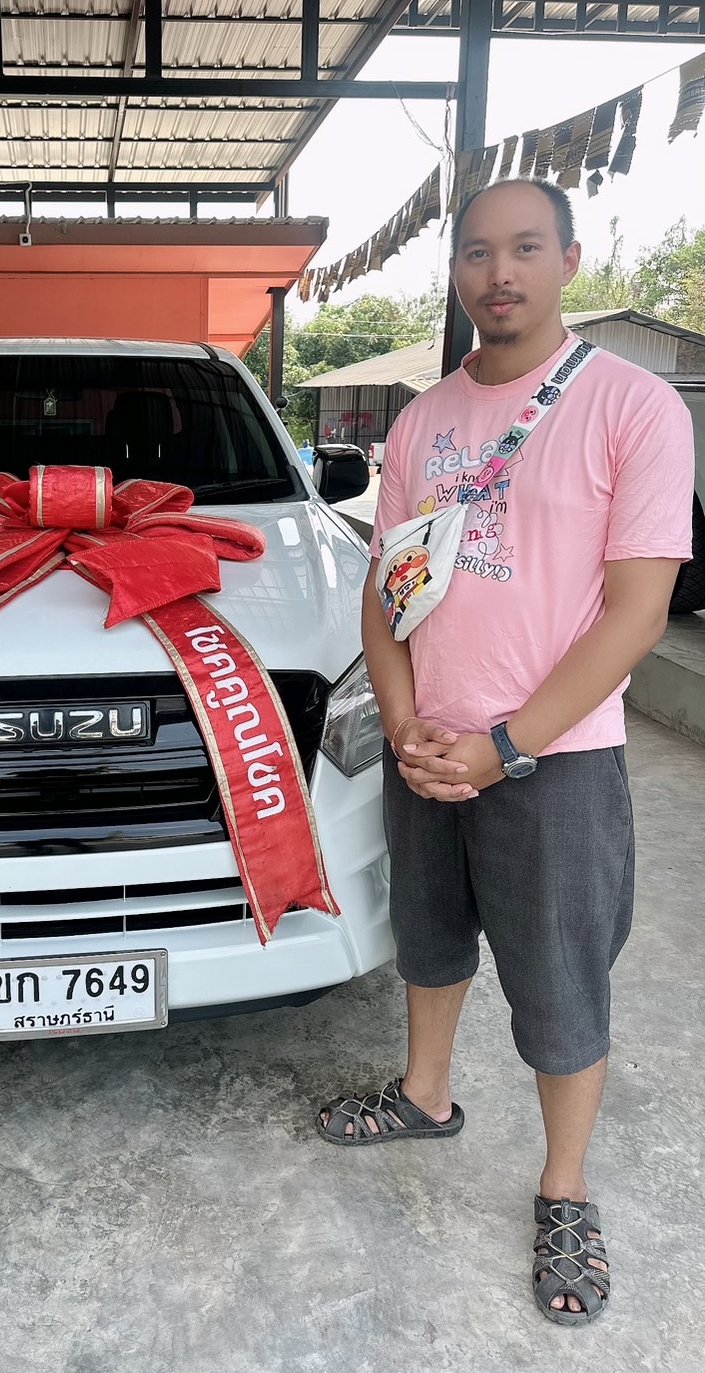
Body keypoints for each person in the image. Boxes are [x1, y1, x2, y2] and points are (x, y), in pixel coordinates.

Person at [314, 179, 695, 1327]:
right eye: (476, 252)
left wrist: (501, 747)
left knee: (559, 978)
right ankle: (425, 1095)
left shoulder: (632, 408)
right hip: (429, 747)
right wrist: (404, 722)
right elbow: (387, 591)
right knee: (430, 940)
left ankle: (564, 1188)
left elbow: (636, 612)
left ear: (568, 260)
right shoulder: (421, 421)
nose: (499, 272)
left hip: (553, 759)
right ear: (456, 273)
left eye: (525, 247)